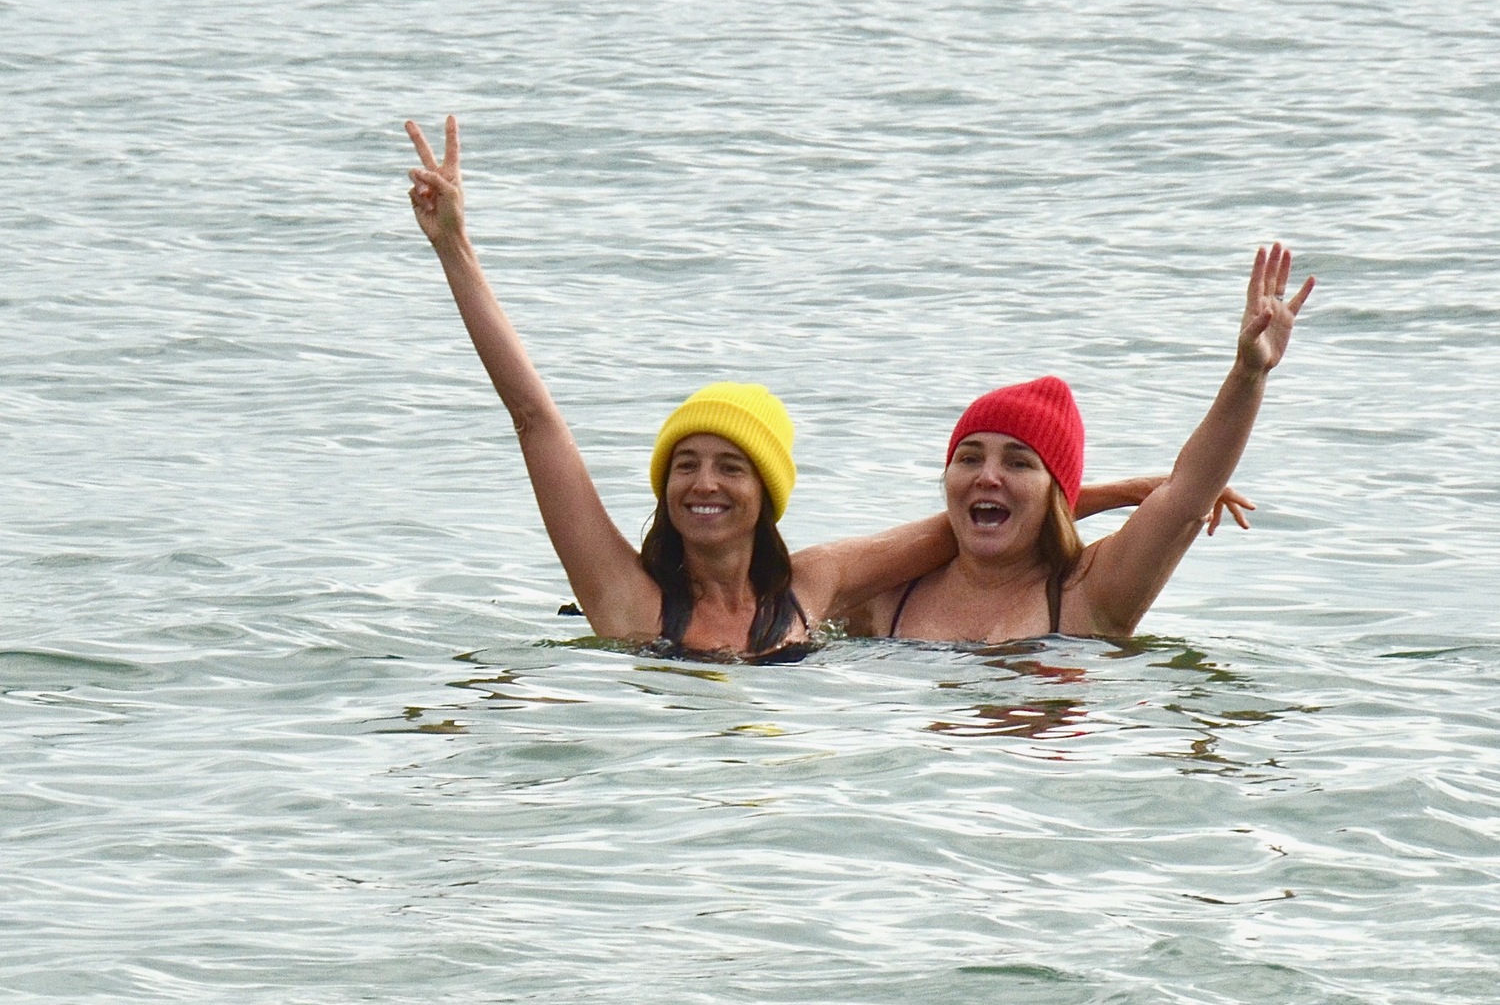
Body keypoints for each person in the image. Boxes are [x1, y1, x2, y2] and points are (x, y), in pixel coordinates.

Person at [406, 115, 1253, 657]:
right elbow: (535, 420)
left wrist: (1108, 491)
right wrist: (457, 251)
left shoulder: (810, 589)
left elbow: (958, 532)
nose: (704, 483)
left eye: (731, 466)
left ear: (768, 491)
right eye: (686, 464)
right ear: (661, 487)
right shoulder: (623, 598)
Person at [851, 244, 1314, 643]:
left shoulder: (1088, 593)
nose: (987, 476)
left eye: (1019, 463)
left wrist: (1249, 374)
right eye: (969, 458)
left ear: (1057, 490)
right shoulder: (885, 599)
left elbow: (1188, 493)